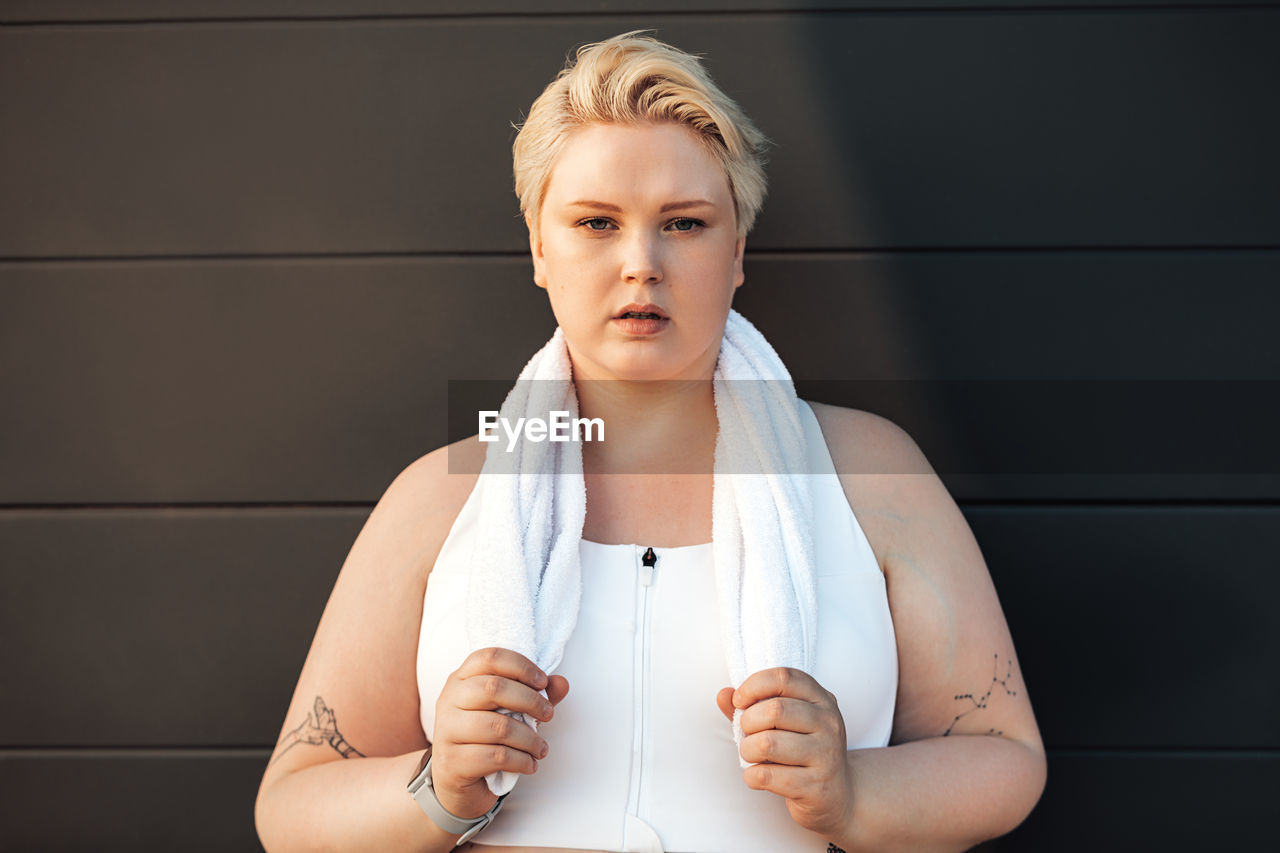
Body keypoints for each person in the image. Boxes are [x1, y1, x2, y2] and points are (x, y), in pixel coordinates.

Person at [254, 31, 1046, 853]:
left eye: (684, 223)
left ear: (737, 252)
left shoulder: (870, 472)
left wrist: (850, 792)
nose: (641, 262)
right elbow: (292, 809)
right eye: (597, 222)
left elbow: (1003, 757)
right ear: (539, 248)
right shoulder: (442, 494)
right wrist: (440, 785)